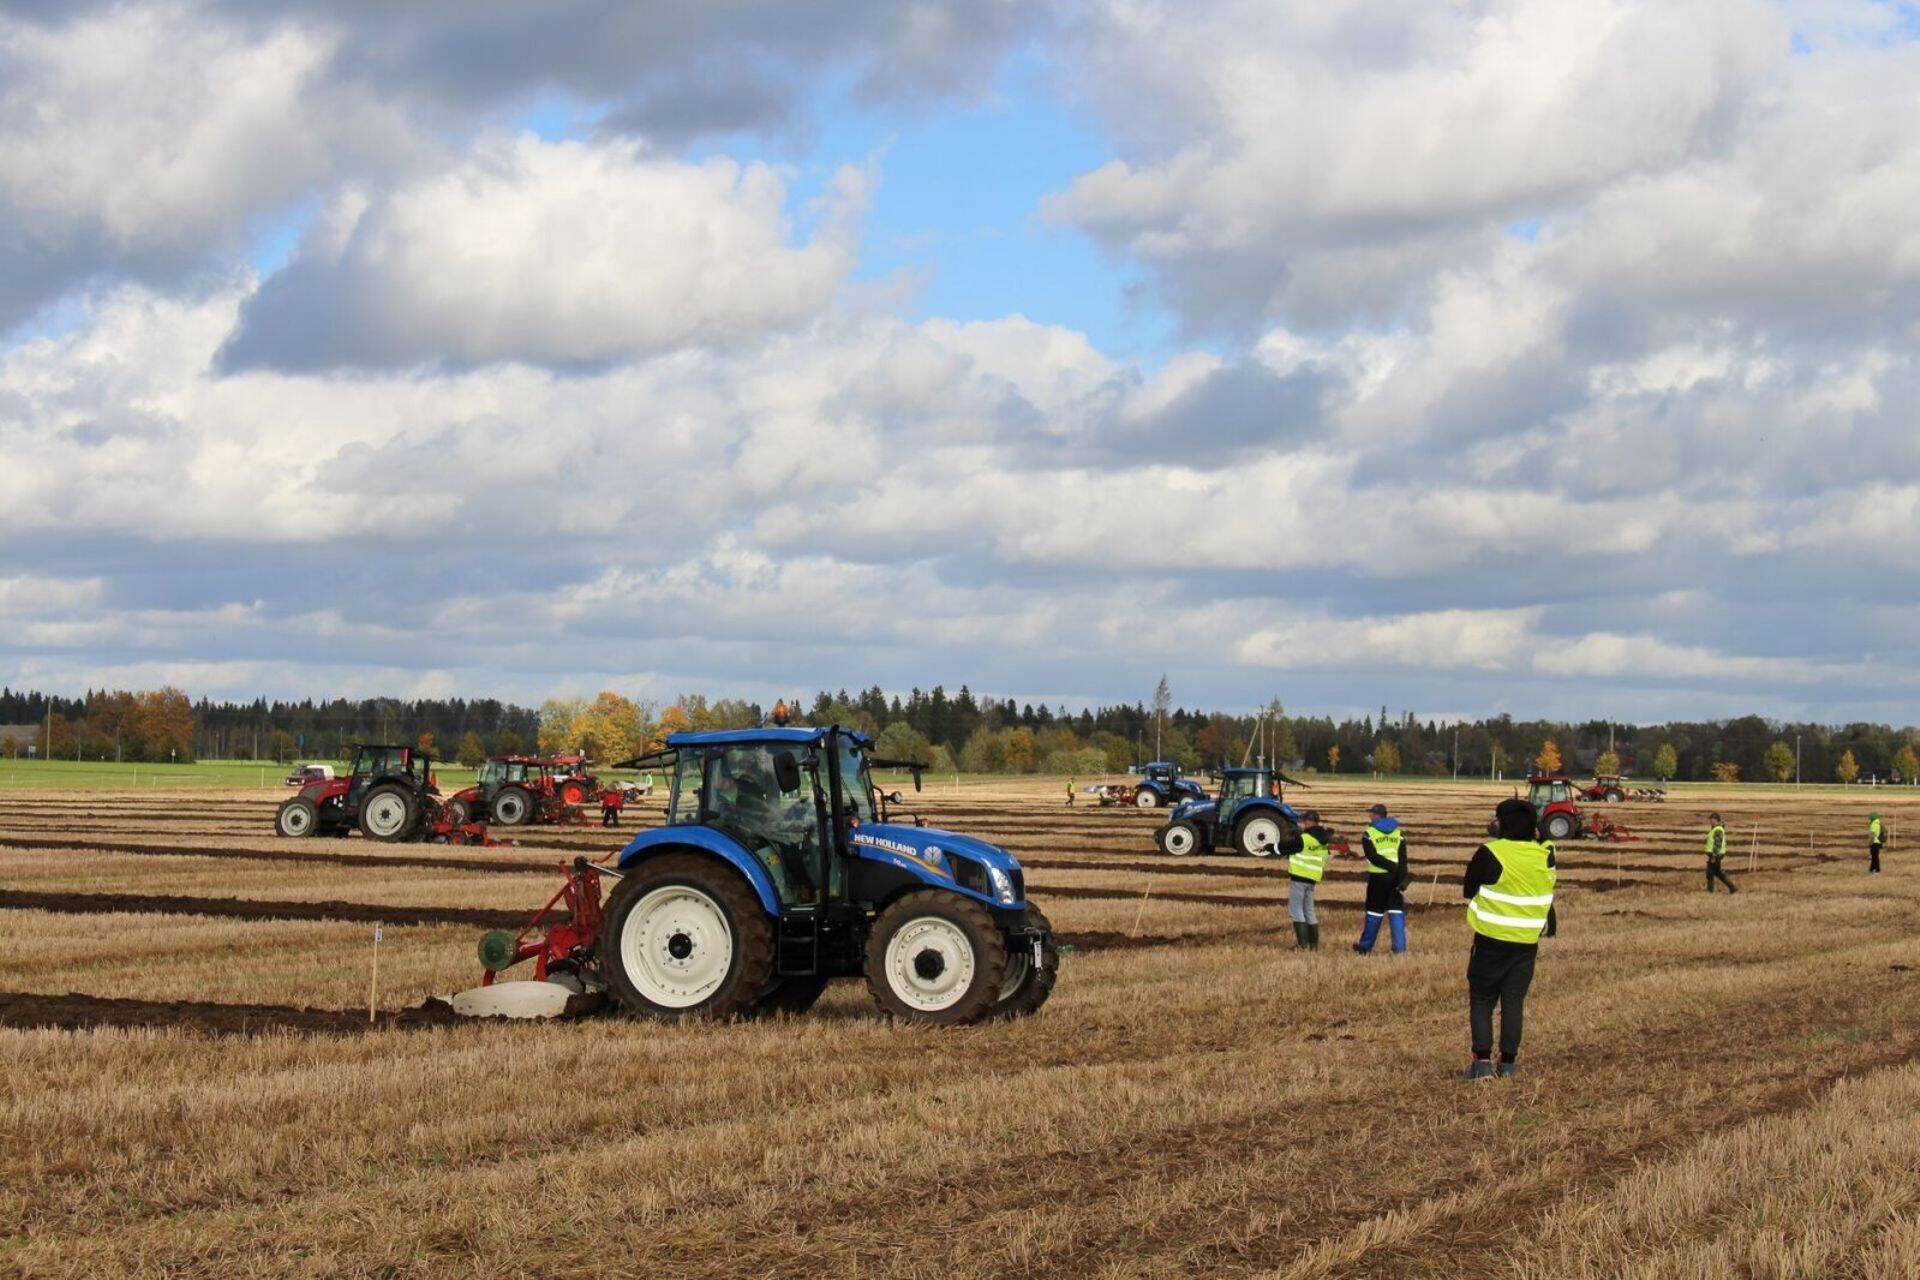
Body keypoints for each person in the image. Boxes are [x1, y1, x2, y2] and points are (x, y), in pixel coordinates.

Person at [1462, 797, 1558, 1080]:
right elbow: (1547, 843)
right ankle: (1507, 1065)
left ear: (1502, 823)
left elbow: (1468, 890)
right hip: (1527, 942)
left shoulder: (1491, 852)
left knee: (1482, 999)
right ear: (1534, 827)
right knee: (1513, 1001)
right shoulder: (1545, 855)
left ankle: (1481, 1064)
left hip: (1490, 940)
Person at [1272, 810, 1337, 950]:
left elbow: (1287, 848)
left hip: (1299, 877)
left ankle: (1302, 945)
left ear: (1308, 821)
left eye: (1303, 821)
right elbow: (1325, 857)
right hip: (1312, 879)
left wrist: (1271, 847)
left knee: (1295, 910)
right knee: (1309, 910)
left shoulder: (1305, 838)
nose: (1302, 824)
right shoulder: (1323, 839)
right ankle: (1313, 945)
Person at [1354, 802, 1410, 953]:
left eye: (1371, 814)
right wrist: (1402, 877)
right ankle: (1399, 948)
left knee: (1374, 912)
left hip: (1377, 879)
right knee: (1396, 911)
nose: (1369, 816)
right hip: (1396, 878)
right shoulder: (1399, 834)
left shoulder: (1369, 834)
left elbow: (1372, 857)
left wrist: (1390, 867)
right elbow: (1403, 859)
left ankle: (1365, 947)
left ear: (1377, 816)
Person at [1704, 812, 1735, 892]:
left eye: (1712, 820)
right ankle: (1732, 888)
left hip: (1716, 854)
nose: (1710, 821)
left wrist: (1714, 855)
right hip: (1715, 854)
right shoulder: (1715, 828)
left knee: (1710, 872)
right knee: (1717, 873)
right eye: (1710, 820)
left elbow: (1718, 844)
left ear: (1716, 820)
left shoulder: (1718, 830)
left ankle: (1710, 890)